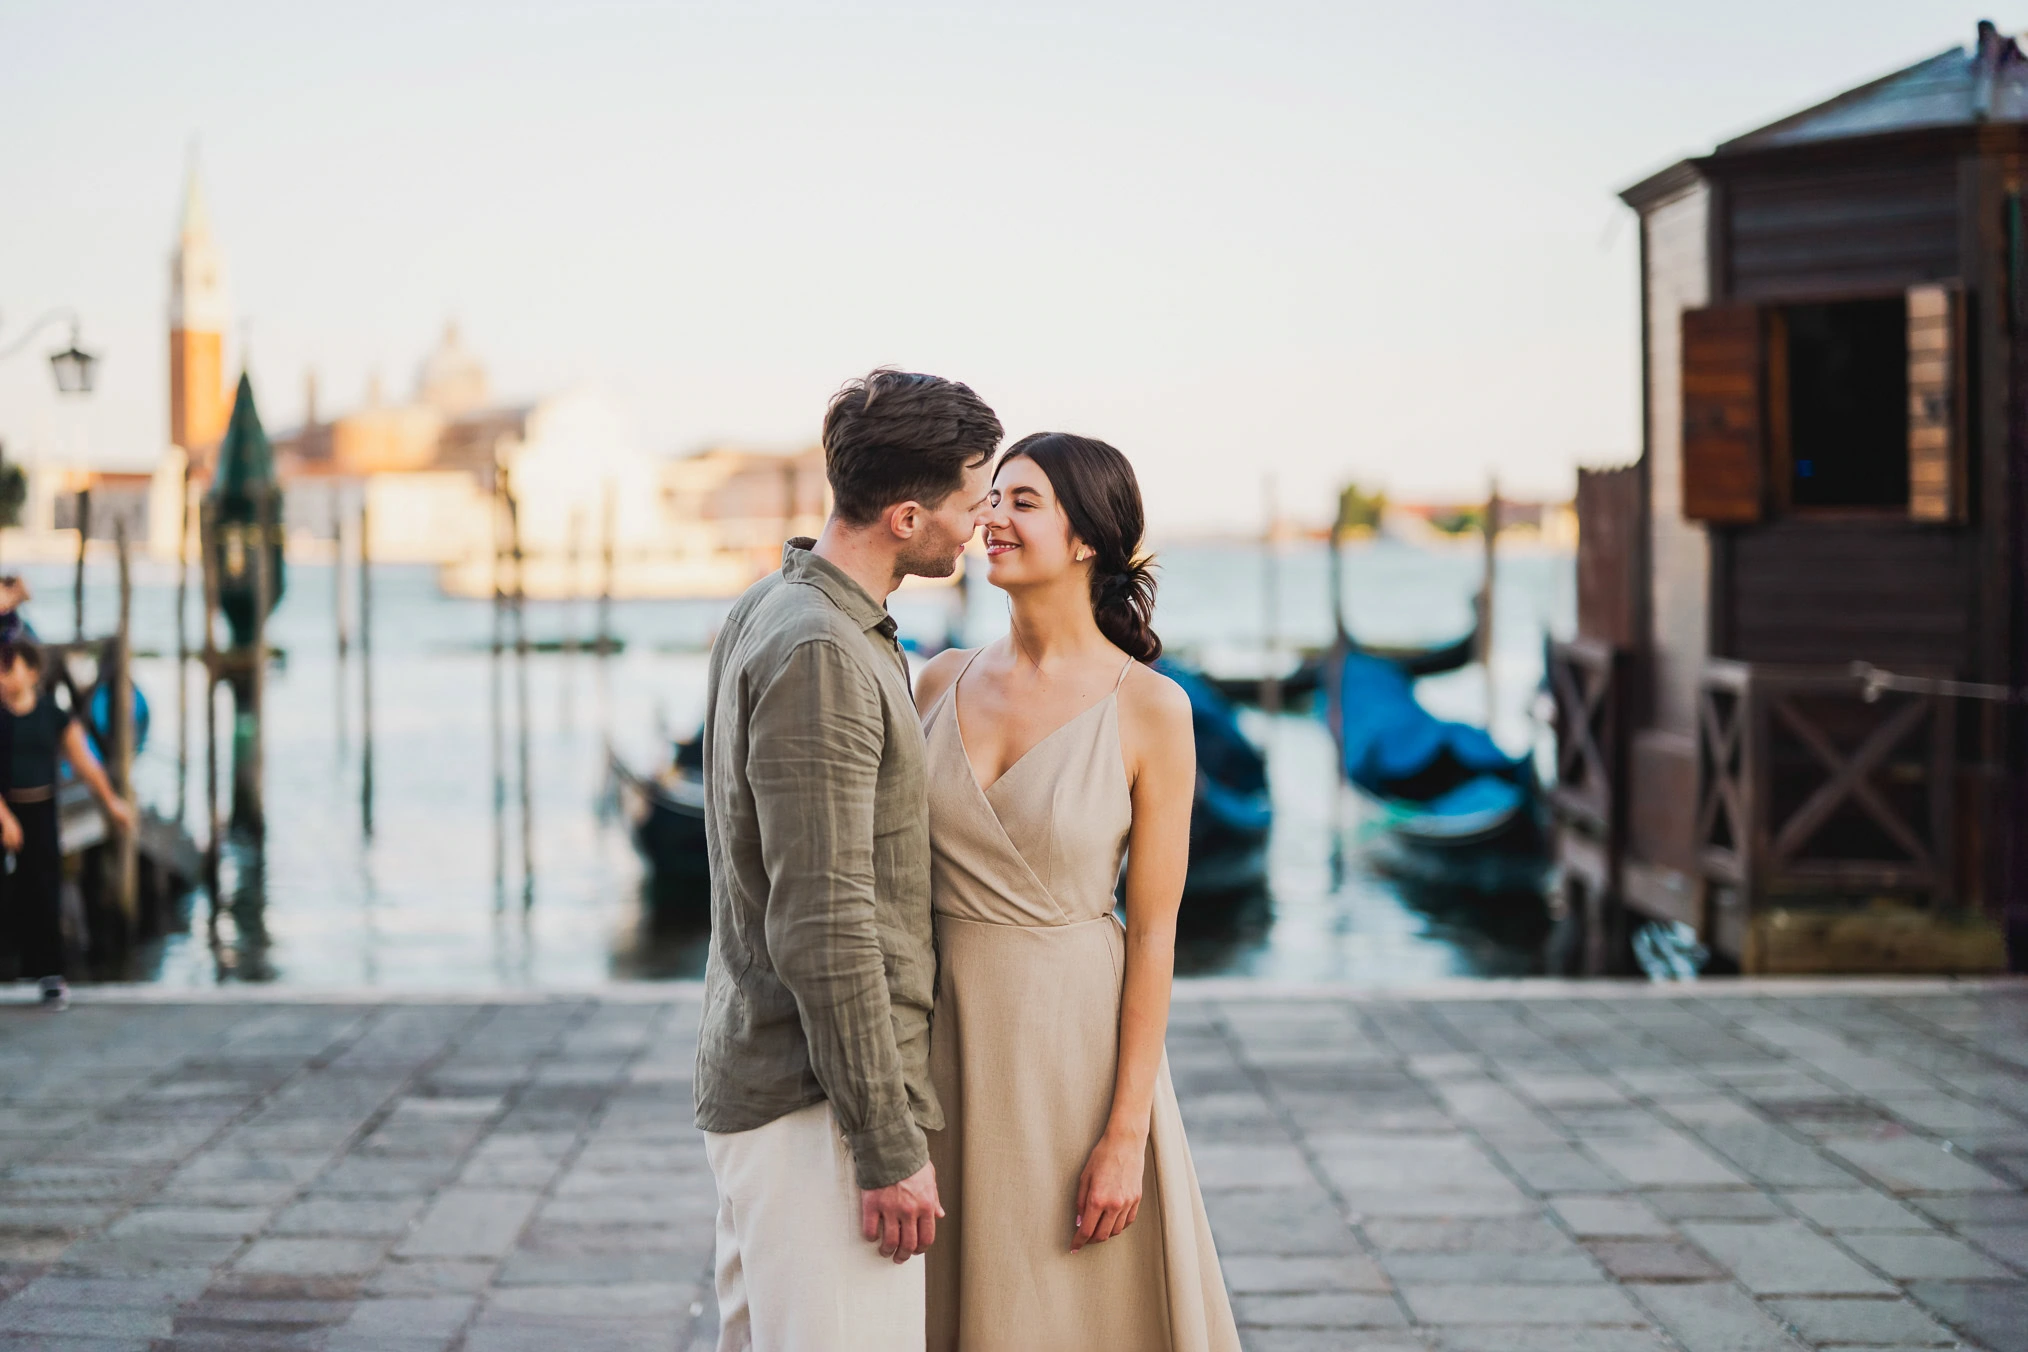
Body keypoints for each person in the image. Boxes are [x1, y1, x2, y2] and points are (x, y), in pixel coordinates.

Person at [693, 369, 1001, 1352]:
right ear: (908, 516)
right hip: (813, 1110)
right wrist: (887, 1141)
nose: (980, 519)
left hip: (783, 1092)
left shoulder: (775, 606)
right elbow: (822, 920)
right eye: (972, 494)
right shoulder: (823, 648)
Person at [913, 433, 1241, 1351]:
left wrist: (1124, 1134)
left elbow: (1153, 935)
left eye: (1024, 502)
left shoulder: (1151, 709)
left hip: (1074, 1058)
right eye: (994, 500)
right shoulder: (937, 679)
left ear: (1087, 537)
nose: (994, 520)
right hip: (944, 1047)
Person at [0, 640, 135, 1010]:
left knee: (46, 891)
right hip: (4, 810)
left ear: (30, 672)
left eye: (7, 669)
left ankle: (50, 977)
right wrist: (5, 818)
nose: (1, 677)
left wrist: (112, 804)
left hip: (42, 810)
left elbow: (86, 764)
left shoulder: (52, 715)